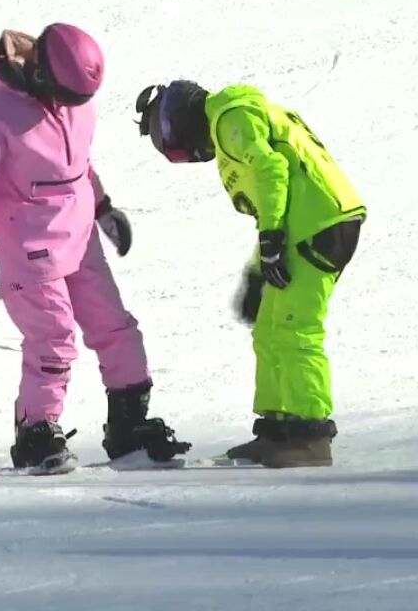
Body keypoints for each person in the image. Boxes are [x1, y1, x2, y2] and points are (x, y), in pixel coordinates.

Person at [0, 23, 191, 473]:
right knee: (53, 338)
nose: (71, 107)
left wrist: (103, 208)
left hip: (80, 238)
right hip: (25, 244)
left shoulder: (77, 105)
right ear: (41, 74)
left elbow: (80, 164)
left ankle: (129, 426)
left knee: (117, 327)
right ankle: (37, 433)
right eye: (67, 97)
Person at [133, 80, 365, 467]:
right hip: (309, 223)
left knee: (295, 329)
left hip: (319, 225)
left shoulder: (230, 118)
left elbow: (272, 170)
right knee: (271, 328)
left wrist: (272, 238)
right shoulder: (238, 117)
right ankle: (277, 429)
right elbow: (274, 201)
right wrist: (258, 271)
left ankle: (310, 434)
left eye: (164, 133)